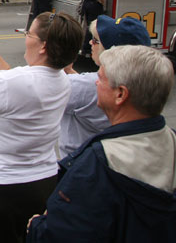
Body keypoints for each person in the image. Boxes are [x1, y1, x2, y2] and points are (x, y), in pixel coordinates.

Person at [0, 10, 82, 243]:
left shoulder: (14, 85)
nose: (25, 37)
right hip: (42, 183)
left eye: (28, 34)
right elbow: (9, 78)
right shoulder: (61, 80)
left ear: (43, 46)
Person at [28, 45, 176, 242]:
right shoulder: (171, 142)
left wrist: (37, 227)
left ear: (120, 95)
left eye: (101, 78)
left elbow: (62, 234)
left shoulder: (96, 167)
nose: (96, 83)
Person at [59, 15, 150, 157]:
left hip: (80, 165)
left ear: (111, 52)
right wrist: (69, 71)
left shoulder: (94, 85)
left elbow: (29, 93)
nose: (90, 42)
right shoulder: (142, 83)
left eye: (96, 41)